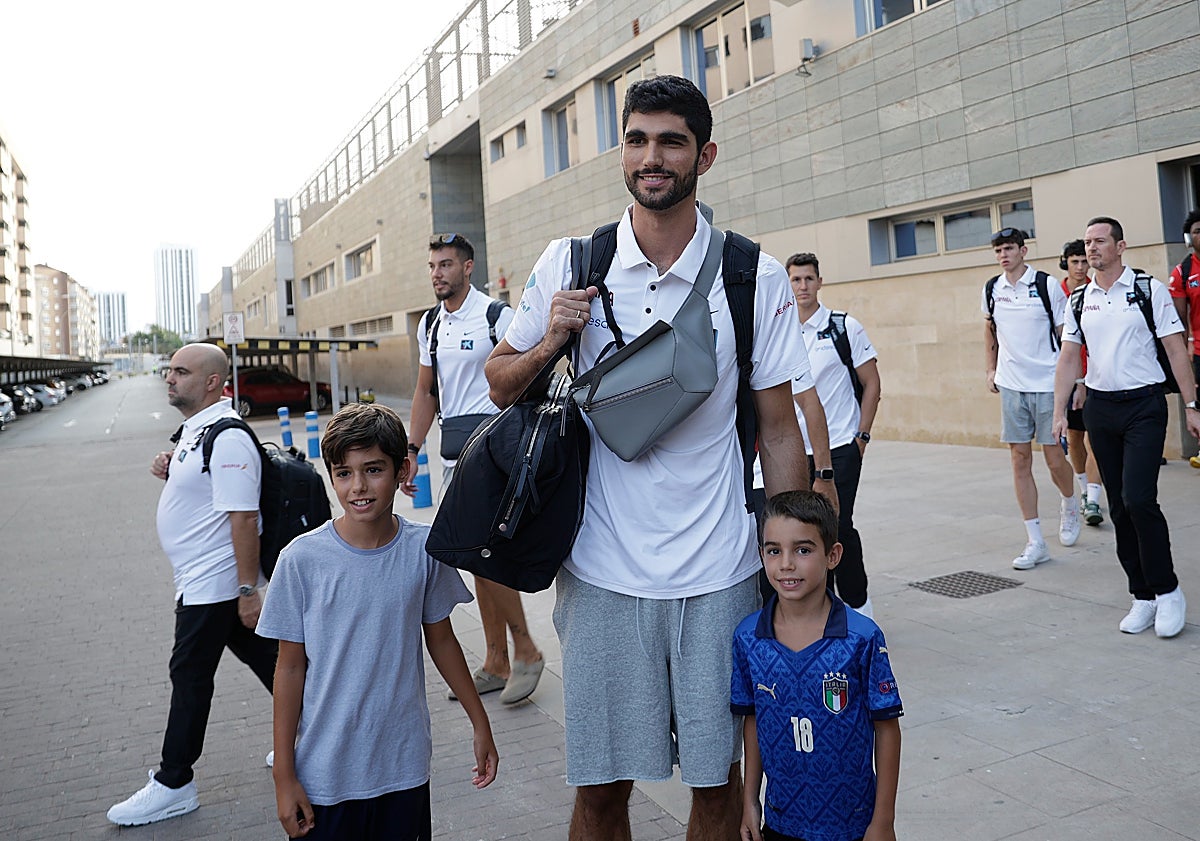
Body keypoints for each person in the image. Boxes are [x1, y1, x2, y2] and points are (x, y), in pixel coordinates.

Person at [485, 75, 808, 840]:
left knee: (717, 787)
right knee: (600, 791)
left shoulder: (752, 274)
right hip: (601, 574)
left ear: (706, 155)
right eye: (637, 139)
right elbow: (498, 382)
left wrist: (795, 563)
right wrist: (551, 338)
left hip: (721, 573)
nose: (651, 156)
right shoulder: (570, 259)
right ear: (620, 149)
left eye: (671, 141)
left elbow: (781, 428)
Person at [258, 403, 498, 839]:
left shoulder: (424, 549)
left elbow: (442, 641)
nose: (358, 487)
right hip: (325, 775)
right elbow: (289, 668)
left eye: (373, 469)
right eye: (344, 473)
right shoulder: (301, 561)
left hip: (402, 768)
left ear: (403, 469)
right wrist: (284, 775)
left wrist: (480, 722)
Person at [107, 343, 278, 826]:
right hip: (205, 580)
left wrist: (249, 591)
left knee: (189, 676)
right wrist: (171, 469)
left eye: (180, 371)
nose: (169, 377)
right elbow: (206, 498)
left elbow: (244, 518)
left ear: (210, 382)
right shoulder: (196, 431)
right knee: (270, 660)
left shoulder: (226, 438)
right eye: (169, 370)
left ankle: (174, 781)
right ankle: (317, 734)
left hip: (216, 583)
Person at [403, 232, 544, 705]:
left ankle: (525, 649)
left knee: (488, 556)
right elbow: (426, 392)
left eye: (445, 264)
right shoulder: (430, 325)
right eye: (432, 266)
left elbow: (526, 375)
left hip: (494, 454)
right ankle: (495, 660)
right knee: (471, 557)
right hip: (451, 456)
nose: (437, 273)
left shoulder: (495, 316)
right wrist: (412, 448)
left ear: (467, 268)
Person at [1053, 216, 1200, 638]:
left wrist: (1191, 406)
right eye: (1088, 241)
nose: (1093, 248)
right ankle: (1142, 595)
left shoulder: (1146, 289)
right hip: (1101, 408)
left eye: (1101, 241)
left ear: (1121, 246)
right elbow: (1068, 358)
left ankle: (1168, 590)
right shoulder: (1079, 300)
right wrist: (1060, 411)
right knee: (1117, 506)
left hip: (1144, 406)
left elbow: (1175, 349)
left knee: (1139, 499)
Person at [732, 491, 901, 841]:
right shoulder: (749, 637)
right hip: (781, 822)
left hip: (851, 825)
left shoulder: (861, 638)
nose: (786, 564)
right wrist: (750, 799)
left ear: (833, 555)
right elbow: (753, 719)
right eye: (773, 550)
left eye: (803, 550)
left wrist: (882, 822)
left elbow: (886, 729)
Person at [786, 252, 882, 618]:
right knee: (806, 534)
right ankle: (820, 611)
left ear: (820, 282)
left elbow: (871, 384)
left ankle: (860, 607)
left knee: (839, 527)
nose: (803, 286)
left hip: (841, 446)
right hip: (796, 451)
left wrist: (862, 438)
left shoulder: (844, 327)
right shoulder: (780, 331)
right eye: (796, 280)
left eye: (809, 279)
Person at [982, 227, 1079, 571]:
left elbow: (1068, 337)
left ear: (1024, 251)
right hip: (1011, 386)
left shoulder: (1046, 285)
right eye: (998, 250)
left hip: (1047, 385)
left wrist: (1076, 382)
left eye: (1009, 248)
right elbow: (990, 328)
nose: (1003, 255)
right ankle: (1035, 540)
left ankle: (1070, 503)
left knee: (1054, 461)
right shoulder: (992, 287)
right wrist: (991, 369)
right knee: (1019, 460)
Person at [1059, 239, 1105, 525]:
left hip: (1096, 378)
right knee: (1075, 438)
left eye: (1083, 261)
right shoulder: (1055, 293)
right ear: (1065, 263)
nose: (1079, 267)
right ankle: (1083, 491)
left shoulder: (1095, 291)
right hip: (1067, 379)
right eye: (1074, 261)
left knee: (1095, 439)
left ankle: (1094, 500)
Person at [1167, 209, 1200, 468]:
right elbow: (1178, 317)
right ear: (1189, 238)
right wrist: (1184, 348)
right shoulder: (1183, 271)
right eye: (1198, 231)